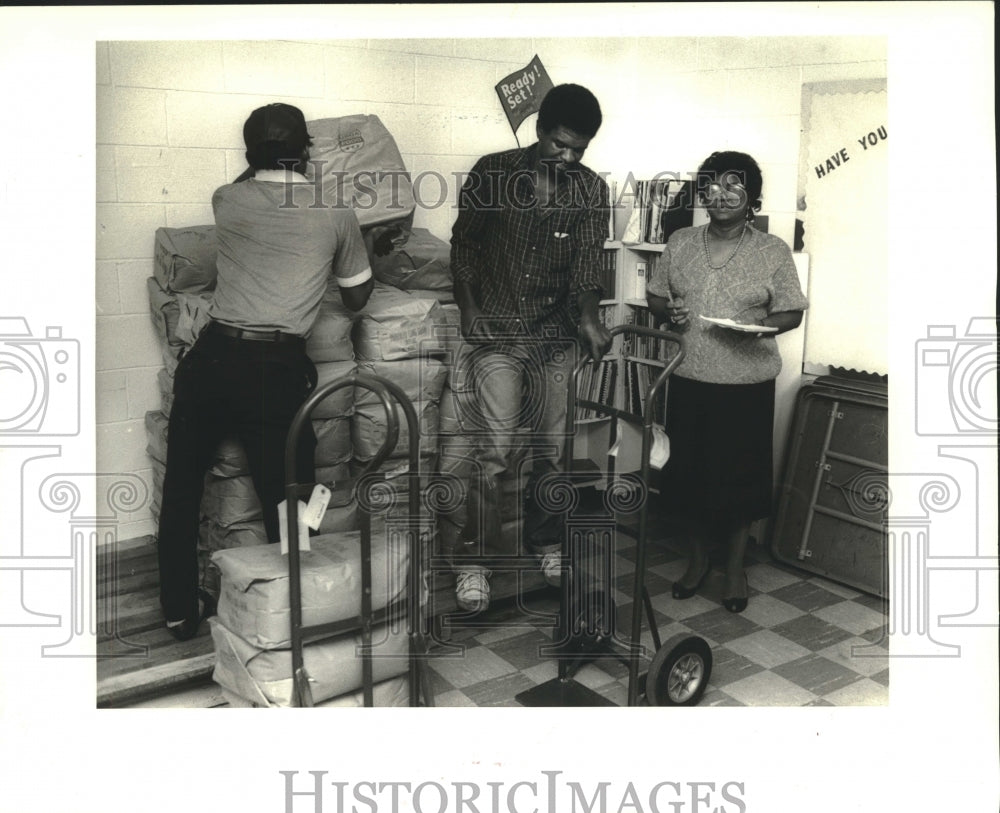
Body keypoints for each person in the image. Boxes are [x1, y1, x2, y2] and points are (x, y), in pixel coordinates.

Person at [157, 103, 374, 640]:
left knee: (183, 489)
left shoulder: (227, 200)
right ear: (306, 152)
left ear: (248, 157)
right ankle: (291, 606)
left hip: (208, 361)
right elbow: (356, 299)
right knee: (291, 495)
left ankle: (180, 611)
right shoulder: (336, 212)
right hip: (272, 370)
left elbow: (254, 177)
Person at [446, 84, 613, 612]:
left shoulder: (589, 191)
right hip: (496, 329)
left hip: (553, 335)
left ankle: (545, 543)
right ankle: (475, 561)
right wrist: (469, 307)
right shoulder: (493, 172)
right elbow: (465, 244)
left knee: (553, 452)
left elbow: (587, 265)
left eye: (578, 150)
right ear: (539, 131)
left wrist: (589, 315)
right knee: (493, 452)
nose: (567, 158)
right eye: (560, 145)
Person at [646, 150, 807, 613]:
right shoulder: (680, 241)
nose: (720, 195)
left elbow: (792, 311)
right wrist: (668, 310)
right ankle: (696, 563)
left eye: (733, 186)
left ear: (751, 197)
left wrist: (763, 326)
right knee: (691, 479)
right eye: (711, 186)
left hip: (746, 385)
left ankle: (734, 570)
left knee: (738, 483)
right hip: (690, 377)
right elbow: (657, 299)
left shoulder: (771, 250)